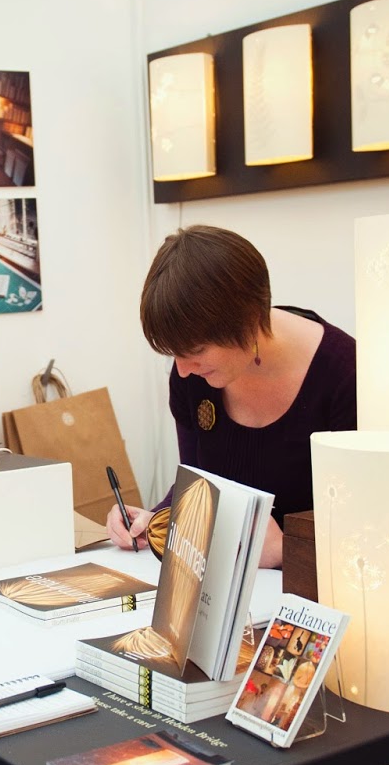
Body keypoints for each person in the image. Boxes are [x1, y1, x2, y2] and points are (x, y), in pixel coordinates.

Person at [106, 226, 356, 568]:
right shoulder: (194, 377)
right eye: (174, 354)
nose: (182, 370)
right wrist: (157, 520)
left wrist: (285, 550)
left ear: (249, 321)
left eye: (195, 351)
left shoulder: (346, 378)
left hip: (316, 593)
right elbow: (199, 484)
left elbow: (374, 532)